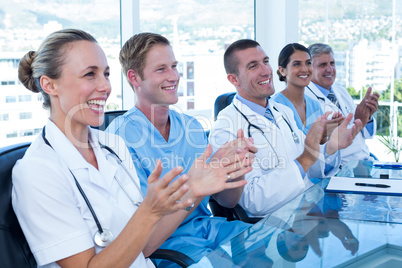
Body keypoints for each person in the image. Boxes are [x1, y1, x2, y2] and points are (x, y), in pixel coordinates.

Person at [12, 29, 251, 268]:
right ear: (49, 85)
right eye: (89, 75)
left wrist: (217, 176)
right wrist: (184, 194)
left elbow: (143, 243)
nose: (105, 86)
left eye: (106, 74)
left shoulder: (111, 146)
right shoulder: (36, 172)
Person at [106, 32, 257, 264]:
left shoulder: (191, 126)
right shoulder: (119, 140)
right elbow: (141, 245)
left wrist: (236, 168)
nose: (174, 76)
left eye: (174, 66)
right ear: (134, 78)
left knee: (272, 245)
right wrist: (194, 190)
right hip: (168, 248)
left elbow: (227, 202)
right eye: (161, 69)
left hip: (210, 231)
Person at [209, 39, 363, 217]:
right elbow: (253, 201)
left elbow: (311, 169)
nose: (266, 71)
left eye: (265, 62)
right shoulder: (226, 129)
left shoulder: (282, 111)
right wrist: (306, 156)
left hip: (309, 212)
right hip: (275, 227)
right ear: (233, 79)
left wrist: (331, 146)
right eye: (253, 66)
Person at [305, 43, 380, 164]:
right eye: (323, 65)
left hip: (365, 160)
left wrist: (367, 117)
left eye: (332, 63)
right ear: (310, 68)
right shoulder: (305, 98)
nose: (330, 69)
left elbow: (366, 135)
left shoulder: (341, 91)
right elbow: (314, 143)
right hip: (341, 167)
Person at [273, 43, 344, 140]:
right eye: (297, 64)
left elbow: (319, 142)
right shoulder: (275, 106)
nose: (305, 69)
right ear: (282, 71)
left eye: (308, 63)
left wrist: (327, 130)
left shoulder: (315, 105)